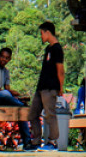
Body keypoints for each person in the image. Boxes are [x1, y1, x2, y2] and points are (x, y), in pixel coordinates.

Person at [0, 48, 32, 149]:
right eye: (2, 57)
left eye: (7, 58)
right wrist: (8, 93)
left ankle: (27, 142)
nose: (4, 60)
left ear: (9, 59)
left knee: (21, 111)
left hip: (4, 98)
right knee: (7, 94)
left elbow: (7, 89)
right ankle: (20, 104)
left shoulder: (6, 71)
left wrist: (15, 93)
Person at [29, 21, 65, 151]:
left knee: (50, 114)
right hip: (41, 87)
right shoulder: (48, 49)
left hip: (51, 87)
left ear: (47, 32)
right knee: (32, 114)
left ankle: (52, 141)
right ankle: (36, 141)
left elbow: (60, 70)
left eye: (41, 33)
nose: (41, 36)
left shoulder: (57, 49)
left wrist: (61, 87)